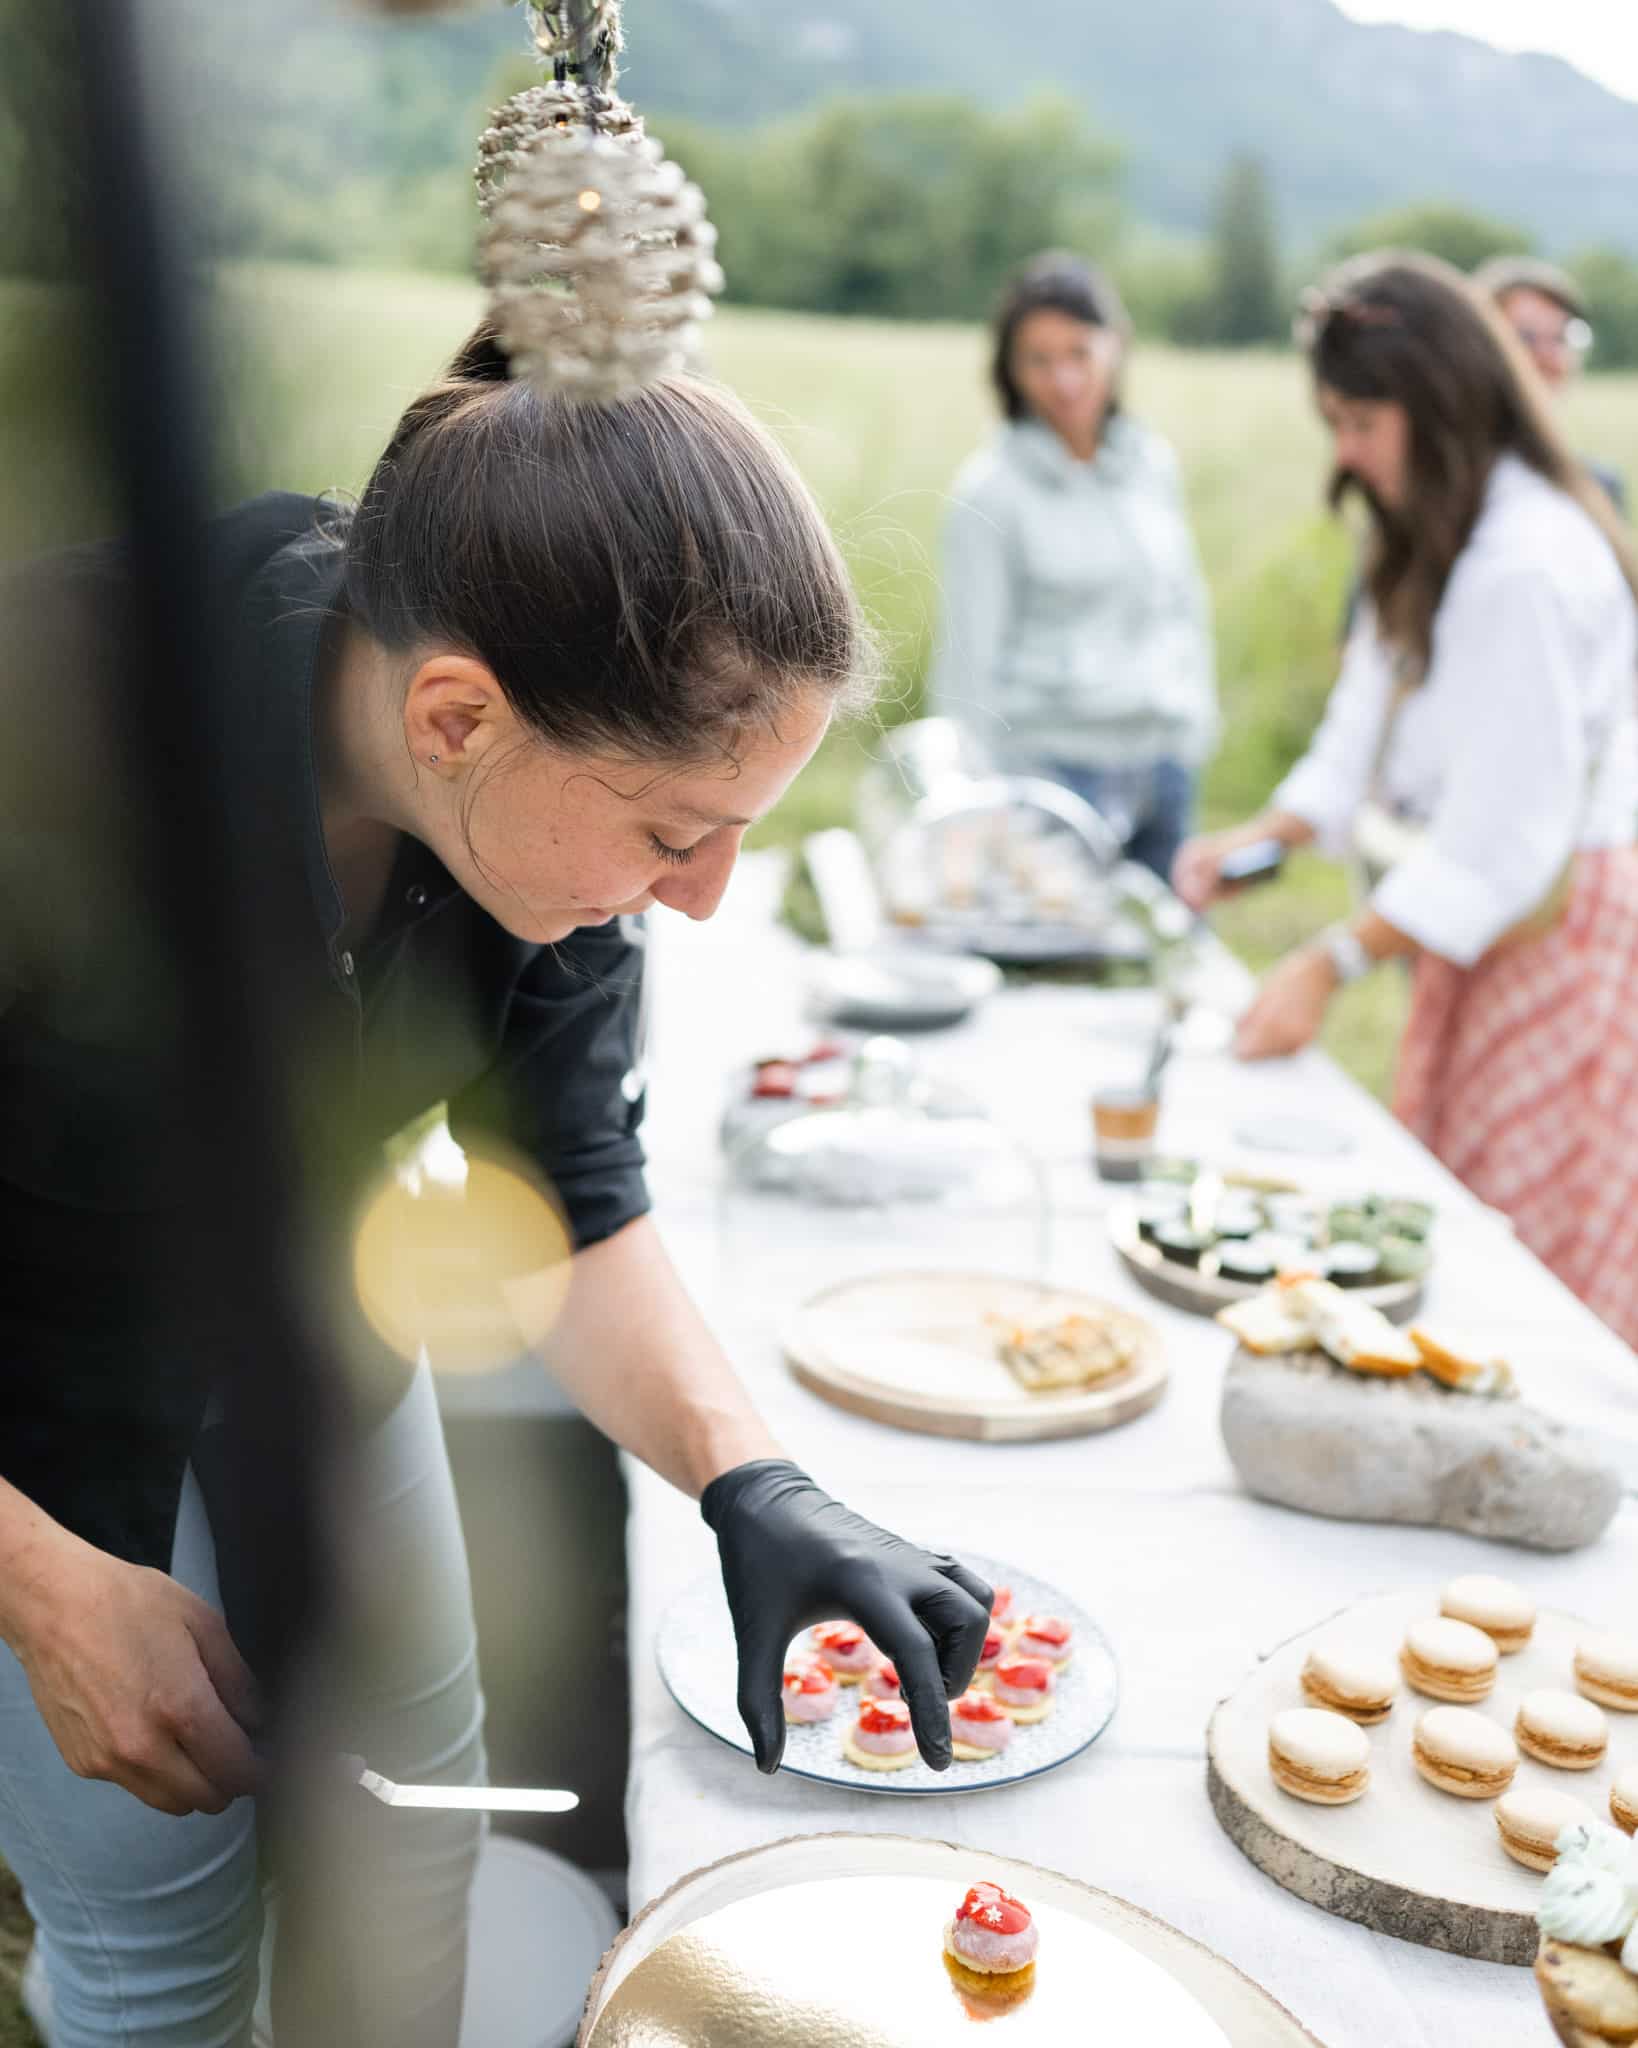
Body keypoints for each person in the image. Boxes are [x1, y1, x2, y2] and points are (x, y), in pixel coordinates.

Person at [0, 325, 992, 2046]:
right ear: (454, 714)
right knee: (161, 1922)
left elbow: (571, 1196)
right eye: (673, 829)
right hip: (31, 1393)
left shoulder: (537, 844)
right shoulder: (52, 741)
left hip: (299, 1303)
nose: (698, 894)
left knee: (411, 1824)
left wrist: (748, 1476)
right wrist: (45, 1584)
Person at [1173, 254, 1638, 1348]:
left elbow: (1503, 840)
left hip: (1564, 931)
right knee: (1463, 1196)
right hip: (1500, 915)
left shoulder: (1526, 563)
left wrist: (1325, 961)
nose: (1345, 450)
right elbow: (1363, 732)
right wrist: (1267, 833)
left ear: (1435, 406)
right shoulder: (1445, 531)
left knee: (1528, 1239)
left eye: (1361, 420)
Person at [929, 252, 1218, 881]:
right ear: (1010, 370)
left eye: (1079, 353)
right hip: (1052, 770)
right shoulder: (990, 492)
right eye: (1039, 359)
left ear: (1114, 349)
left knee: (1164, 952)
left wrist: (1195, 723)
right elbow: (968, 662)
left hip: (1162, 765)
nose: (1063, 380)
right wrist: (980, 801)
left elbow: (1182, 604)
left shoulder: (1152, 466)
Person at [1473, 253, 1625, 512]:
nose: (1549, 355)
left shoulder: (1599, 487)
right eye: (1525, 337)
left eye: (1561, 337)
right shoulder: (1448, 481)